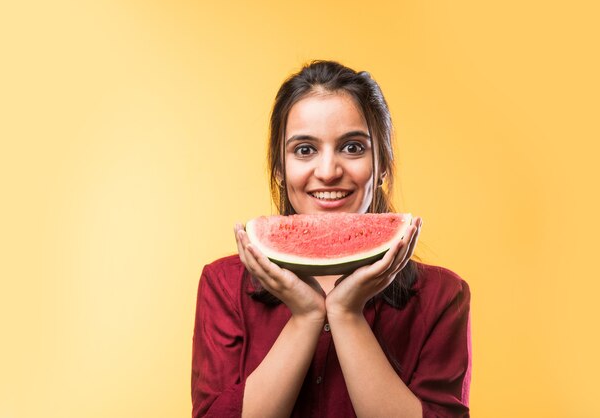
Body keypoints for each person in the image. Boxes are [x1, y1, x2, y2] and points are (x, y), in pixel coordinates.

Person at [192, 60, 471, 417]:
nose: (328, 172)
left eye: (352, 147)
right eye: (304, 150)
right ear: (280, 169)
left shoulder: (442, 297)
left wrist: (346, 313)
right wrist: (306, 316)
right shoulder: (224, 285)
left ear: (383, 164)